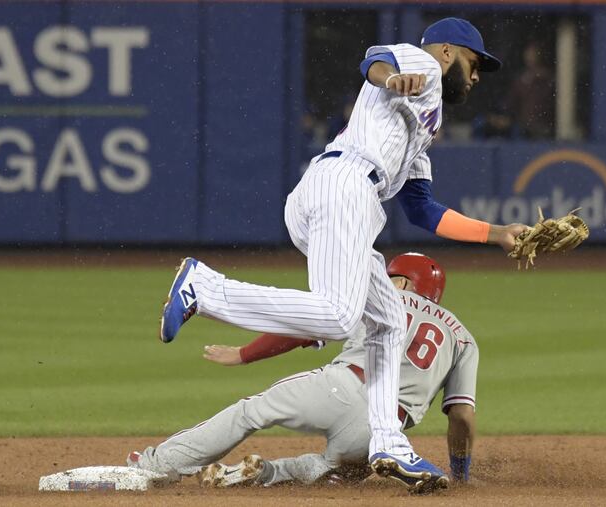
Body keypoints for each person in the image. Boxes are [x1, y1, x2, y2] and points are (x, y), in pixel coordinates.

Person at [158, 17, 524, 489]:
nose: (476, 77)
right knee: (338, 317)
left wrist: (497, 234)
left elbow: (422, 210)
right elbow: (374, 59)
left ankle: (388, 443)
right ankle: (204, 289)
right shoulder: (426, 66)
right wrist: (391, 77)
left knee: (388, 319)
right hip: (346, 185)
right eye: (475, 64)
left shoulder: (424, 126)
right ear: (449, 52)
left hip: (340, 193)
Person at [132, 253, 479, 493]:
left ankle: (159, 464)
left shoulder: (381, 297)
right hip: (382, 428)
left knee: (250, 412)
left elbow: (303, 326)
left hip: (340, 388)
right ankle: (266, 473)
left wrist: (244, 354)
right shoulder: (462, 337)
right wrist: (461, 475)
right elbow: (462, 416)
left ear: (402, 281)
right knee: (335, 471)